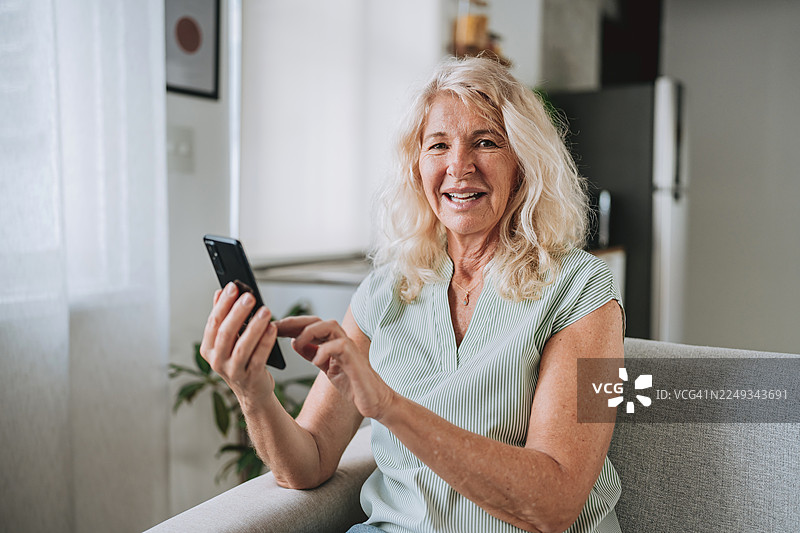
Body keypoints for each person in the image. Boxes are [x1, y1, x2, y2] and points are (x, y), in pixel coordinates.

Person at [200, 56, 625, 533]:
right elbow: (309, 462)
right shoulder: (385, 290)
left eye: (486, 141)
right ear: (416, 166)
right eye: (438, 145)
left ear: (523, 163)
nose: (459, 166)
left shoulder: (588, 291)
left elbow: (555, 504)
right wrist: (253, 391)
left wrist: (388, 405)